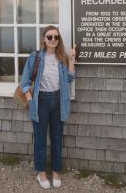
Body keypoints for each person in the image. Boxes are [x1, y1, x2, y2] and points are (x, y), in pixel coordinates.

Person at [20, 25, 76, 189]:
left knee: (57, 137)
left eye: (56, 37)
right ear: (44, 39)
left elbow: (70, 79)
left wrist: (71, 60)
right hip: (40, 101)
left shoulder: (62, 58)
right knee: (39, 139)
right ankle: (41, 172)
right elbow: (24, 83)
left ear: (59, 40)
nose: (53, 40)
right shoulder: (35, 57)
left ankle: (57, 171)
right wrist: (31, 101)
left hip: (59, 101)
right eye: (49, 37)